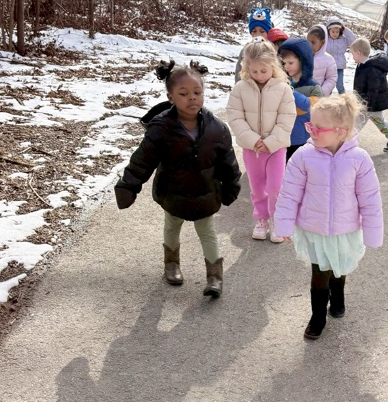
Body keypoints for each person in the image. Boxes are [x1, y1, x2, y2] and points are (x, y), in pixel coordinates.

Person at [114, 60, 241, 299]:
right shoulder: (161, 128)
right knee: (172, 227)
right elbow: (142, 160)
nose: (192, 98)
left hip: (205, 192)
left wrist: (232, 186)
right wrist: (129, 185)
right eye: (183, 94)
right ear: (170, 97)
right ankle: (171, 264)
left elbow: (229, 161)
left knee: (208, 232)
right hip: (172, 192)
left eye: (197, 92)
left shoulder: (216, 128)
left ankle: (215, 275)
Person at [273, 92, 383, 341]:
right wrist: (284, 224)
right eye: (310, 125)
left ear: (341, 131)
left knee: (339, 266)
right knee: (319, 270)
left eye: (318, 128)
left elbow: (370, 199)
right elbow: (289, 193)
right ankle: (318, 315)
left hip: (345, 229)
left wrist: (373, 233)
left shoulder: (359, 159)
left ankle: (339, 294)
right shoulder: (303, 155)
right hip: (315, 228)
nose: (311, 131)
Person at [226, 40, 297, 243]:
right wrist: (253, 140)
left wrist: (271, 141)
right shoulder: (240, 88)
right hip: (253, 148)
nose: (258, 75)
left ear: (273, 66)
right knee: (257, 187)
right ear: (246, 68)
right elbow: (235, 117)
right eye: (254, 71)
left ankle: (276, 220)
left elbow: (287, 118)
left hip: (276, 148)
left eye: (263, 71)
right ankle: (262, 218)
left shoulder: (283, 89)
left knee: (276, 187)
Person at [350, 37, 388, 153]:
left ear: (358, 53)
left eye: (352, 54)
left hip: (372, 104)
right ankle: (348, 144)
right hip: (365, 103)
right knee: (362, 122)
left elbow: (373, 89)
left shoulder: (372, 69)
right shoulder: (362, 64)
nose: (352, 57)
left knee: (365, 123)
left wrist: (366, 104)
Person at [278, 37, 323, 161]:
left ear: (303, 61)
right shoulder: (284, 84)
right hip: (283, 139)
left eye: (290, 63)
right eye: (284, 63)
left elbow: (309, 107)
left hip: (303, 141)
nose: (286, 67)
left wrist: (289, 91)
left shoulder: (314, 87)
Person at [235, 8, 274, 82]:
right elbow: (238, 74)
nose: (258, 34)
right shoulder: (246, 50)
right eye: (254, 31)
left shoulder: (272, 49)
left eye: (262, 31)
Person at [325, 16, 357, 94]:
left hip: (339, 66)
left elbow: (354, 40)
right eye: (333, 31)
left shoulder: (343, 39)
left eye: (337, 31)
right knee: (328, 86)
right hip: (328, 66)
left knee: (339, 85)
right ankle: (326, 101)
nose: (335, 34)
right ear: (328, 31)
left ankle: (345, 99)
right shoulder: (325, 39)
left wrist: (345, 29)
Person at [307, 25, 337, 96]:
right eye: (308, 42)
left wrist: (321, 92)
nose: (310, 45)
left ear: (322, 42)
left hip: (319, 98)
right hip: (302, 96)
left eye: (313, 42)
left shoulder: (329, 60)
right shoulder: (302, 55)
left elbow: (331, 78)